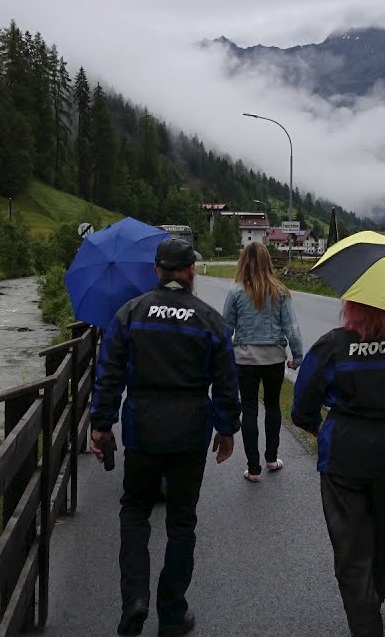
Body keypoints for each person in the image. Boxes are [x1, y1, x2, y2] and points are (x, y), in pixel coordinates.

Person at [90, 237, 241, 637]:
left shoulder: (130, 313)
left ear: (157, 271)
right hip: (190, 431)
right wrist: (227, 429)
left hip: (142, 427)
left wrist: (101, 424)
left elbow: (108, 375)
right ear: (190, 272)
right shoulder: (210, 320)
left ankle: (134, 601)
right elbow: (227, 382)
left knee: (135, 512)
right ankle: (172, 613)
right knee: (181, 523)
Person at [291, 300, 385, 637]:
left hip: (343, 453)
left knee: (350, 548)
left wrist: (316, 424)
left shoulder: (332, 344)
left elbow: (302, 404)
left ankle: (364, 617)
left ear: (350, 305)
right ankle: (370, 607)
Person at [222, 241, 303, 482]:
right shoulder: (280, 291)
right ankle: (271, 458)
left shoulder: (235, 292)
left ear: (243, 262)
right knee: (273, 406)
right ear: (268, 262)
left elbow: (225, 328)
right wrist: (297, 357)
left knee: (248, 409)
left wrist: (224, 359)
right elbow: (292, 328)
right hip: (274, 359)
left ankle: (253, 468)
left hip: (244, 360)